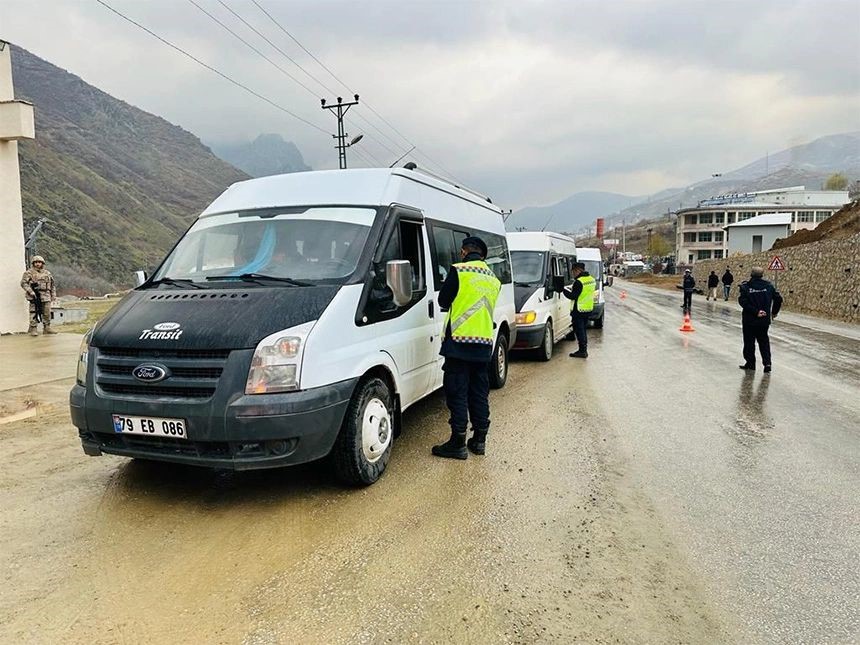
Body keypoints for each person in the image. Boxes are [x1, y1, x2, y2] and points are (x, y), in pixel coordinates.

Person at [432, 236, 501, 459]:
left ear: (464, 252)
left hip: (459, 344)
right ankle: (479, 440)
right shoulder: (493, 278)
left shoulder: (459, 270)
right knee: (479, 393)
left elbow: (443, 301)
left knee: (457, 392)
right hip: (483, 345)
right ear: (482, 255)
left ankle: (458, 443)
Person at [738, 267, 783, 373]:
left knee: (749, 342)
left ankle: (750, 364)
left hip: (750, 320)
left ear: (751, 274)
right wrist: (774, 312)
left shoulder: (746, 287)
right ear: (762, 275)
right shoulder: (769, 286)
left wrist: (756, 312)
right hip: (764, 320)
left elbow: (743, 302)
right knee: (764, 341)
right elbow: (778, 299)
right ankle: (767, 364)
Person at [562, 262, 595, 359]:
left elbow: (573, 296)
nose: (573, 274)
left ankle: (582, 351)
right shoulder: (591, 279)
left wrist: (563, 290)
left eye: (573, 272)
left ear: (577, 270)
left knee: (580, 331)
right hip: (588, 309)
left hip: (579, 310)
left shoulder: (579, 282)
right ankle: (583, 350)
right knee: (583, 330)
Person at [20, 255, 57, 336]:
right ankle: (33, 328)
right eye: (36, 262)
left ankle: (47, 328)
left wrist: (53, 295)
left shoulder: (47, 273)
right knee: (34, 312)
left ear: (42, 263)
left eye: (39, 262)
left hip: (46, 295)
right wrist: (30, 291)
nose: (37, 264)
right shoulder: (29, 273)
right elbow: (23, 283)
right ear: (33, 263)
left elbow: (52, 285)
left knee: (47, 312)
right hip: (35, 296)